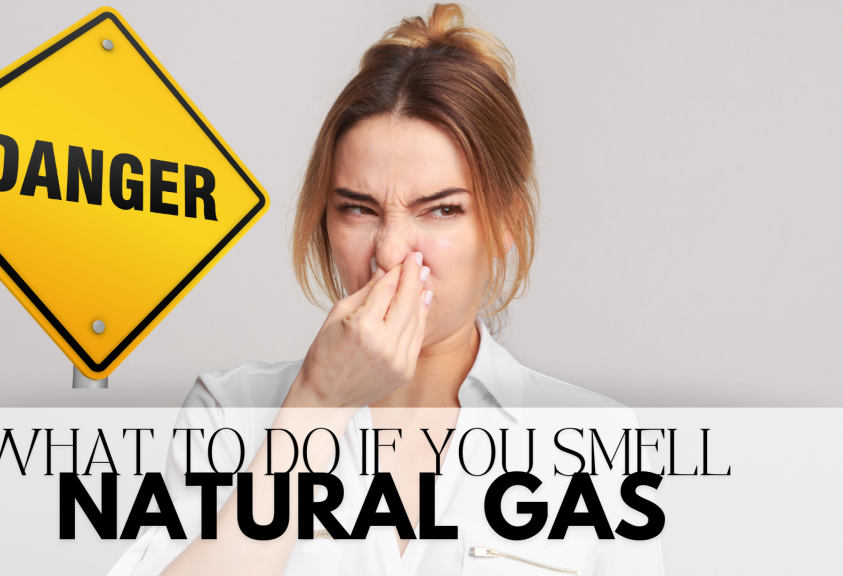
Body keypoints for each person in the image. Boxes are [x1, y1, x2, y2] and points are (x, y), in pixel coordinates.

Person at [110, 4, 664, 575]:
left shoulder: (601, 448)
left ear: (504, 225)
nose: (390, 251)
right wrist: (316, 408)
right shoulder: (230, 415)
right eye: (357, 208)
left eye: (442, 209)